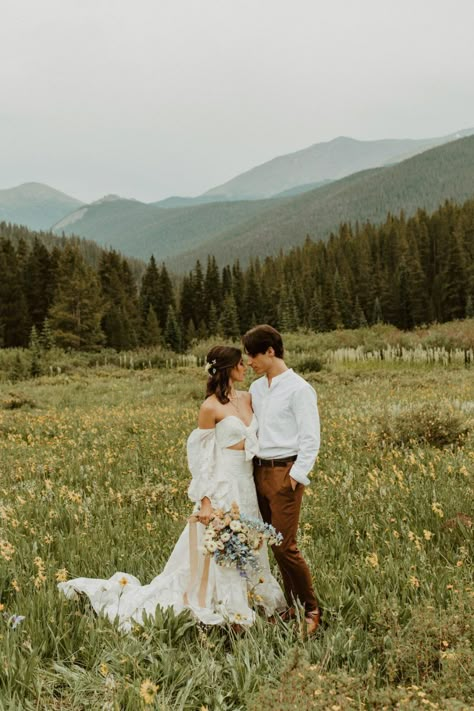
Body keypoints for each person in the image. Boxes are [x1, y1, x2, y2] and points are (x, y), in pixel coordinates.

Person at [58, 345, 285, 630]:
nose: (245, 367)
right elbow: (201, 458)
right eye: (240, 364)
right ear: (227, 369)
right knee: (221, 544)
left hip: (247, 482)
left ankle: (253, 596)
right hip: (223, 483)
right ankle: (229, 605)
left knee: (250, 539)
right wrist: (205, 500)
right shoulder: (210, 407)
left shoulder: (250, 398)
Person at [242, 325, 322, 635]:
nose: (250, 361)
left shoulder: (299, 388)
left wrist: (296, 476)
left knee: (286, 545)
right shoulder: (258, 388)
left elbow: (310, 438)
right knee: (272, 544)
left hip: (284, 473)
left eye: (253, 355)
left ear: (270, 351)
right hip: (258, 471)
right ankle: (293, 606)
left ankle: (312, 609)